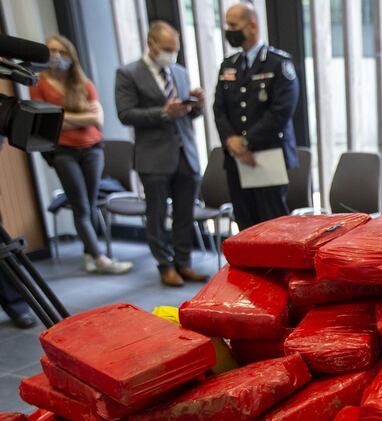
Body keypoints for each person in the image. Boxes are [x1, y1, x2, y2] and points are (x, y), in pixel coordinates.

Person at [115, 21, 209, 287]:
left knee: (184, 213)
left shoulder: (179, 72)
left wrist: (196, 105)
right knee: (156, 214)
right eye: (167, 48)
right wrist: (163, 112)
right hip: (153, 156)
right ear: (151, 44)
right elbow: (125, 114)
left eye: (175, 49)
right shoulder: (128, 73)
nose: (171, 53)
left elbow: (190, 115)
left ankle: (184, 263)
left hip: (185, 153)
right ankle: (165, 265)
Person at [29, 35, 132, 275]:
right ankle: (99, 257)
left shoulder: (82, 82)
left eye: (61, 51)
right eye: (52, 51)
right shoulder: (39, 84)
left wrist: (64, 117)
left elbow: (97, 118)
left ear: (70, 54)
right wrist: (78, 116)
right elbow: (48, 122)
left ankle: (89, 253)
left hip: (93, 149)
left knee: (90, 202)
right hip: (64, 152)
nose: (57, 56)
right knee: (81, 207)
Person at [213, 2, 299, 230]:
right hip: (236, 158)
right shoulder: (228, 66)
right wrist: (232, 141)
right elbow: (219, 109)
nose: (228, 30)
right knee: (245, 224)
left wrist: (246, 142)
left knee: (272, 226)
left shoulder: (278, 63)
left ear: (251, 26)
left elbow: (281, 112)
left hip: (266, 155)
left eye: (233, 24)